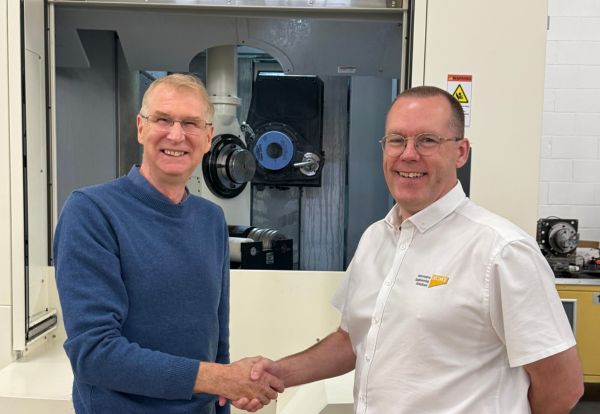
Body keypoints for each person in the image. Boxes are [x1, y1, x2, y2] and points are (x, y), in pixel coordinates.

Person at [234, 85, 584, 413]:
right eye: (397, 140)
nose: (408, 154)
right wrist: (280, 373)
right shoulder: (376, 238)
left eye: (427, 140)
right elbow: (352, 340)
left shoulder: (502, 251)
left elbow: (563, 387)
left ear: (460, 152)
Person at [54, 73, 282, 414]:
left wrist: (225, 389)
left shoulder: (211, 219)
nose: (176, 135)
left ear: (208, 137)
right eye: (162, 119)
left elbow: (216, 343)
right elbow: (94, 354)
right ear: (141, 127)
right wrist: (220, 378)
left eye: (190, 123)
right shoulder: (92, 211)